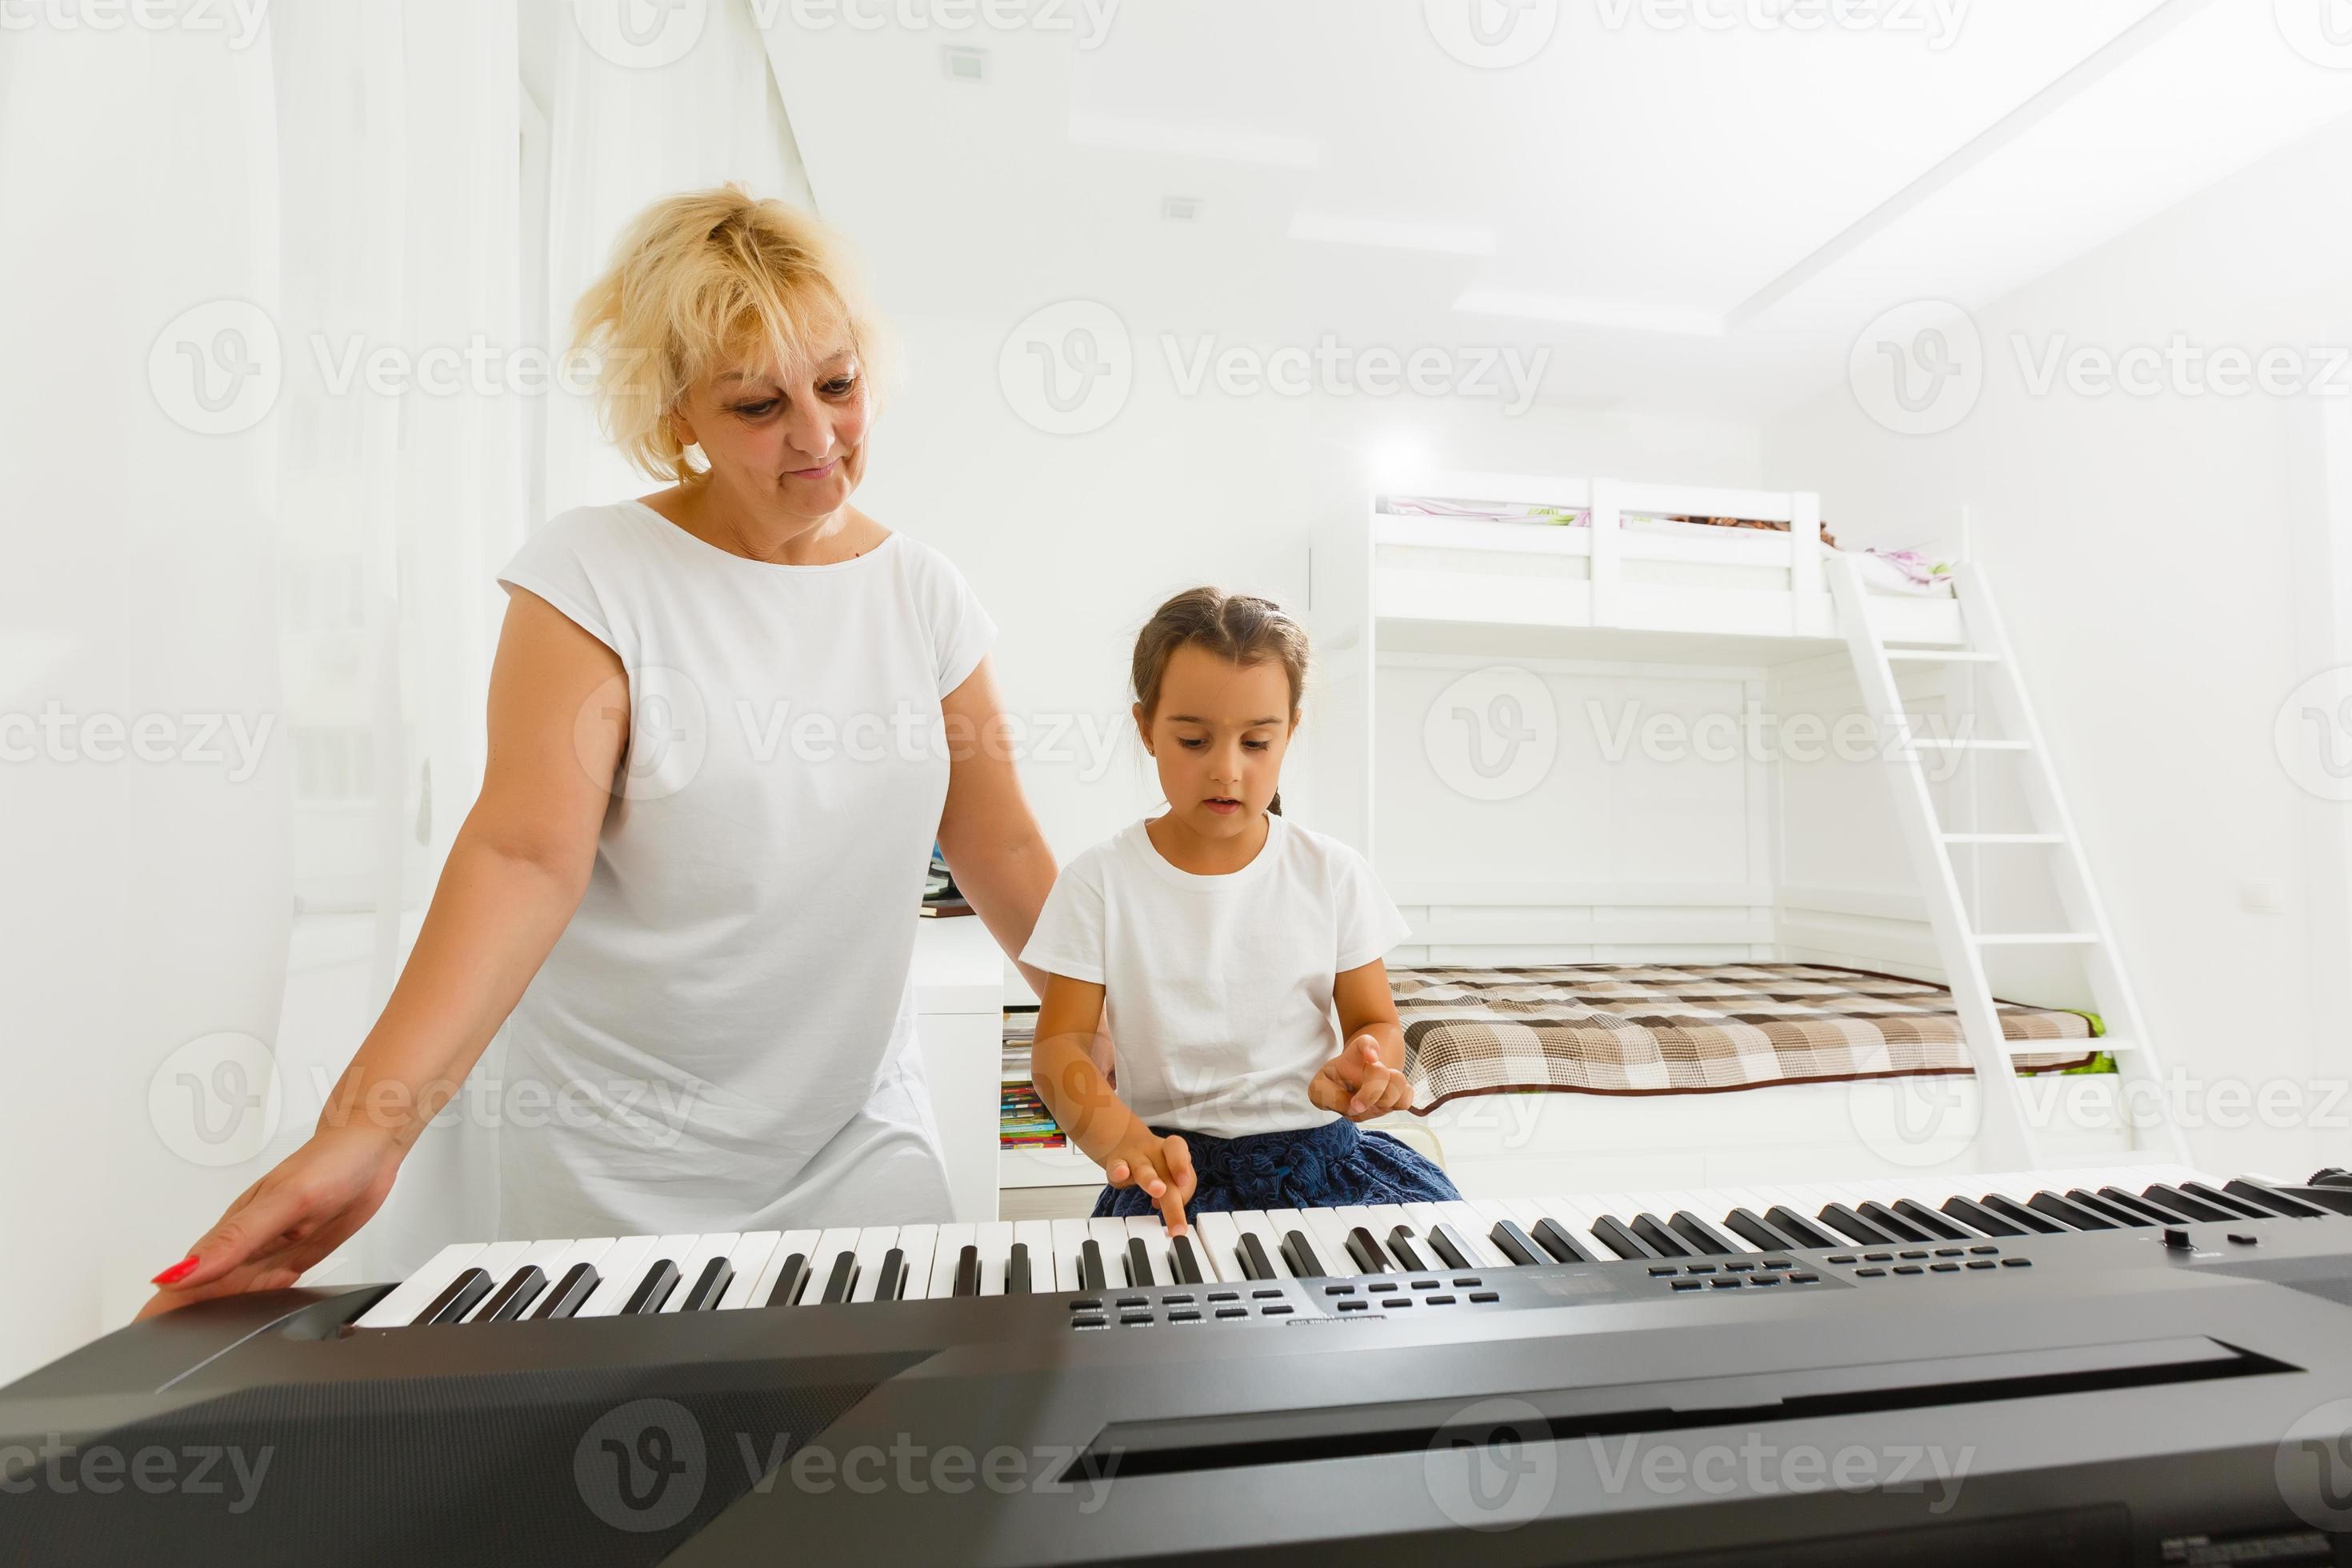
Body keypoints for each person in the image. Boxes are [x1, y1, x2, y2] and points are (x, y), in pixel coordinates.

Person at [142, 185, 1063, 1314]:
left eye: (838, 384)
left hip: (854, 1142)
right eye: (758, 405)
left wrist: (1153, 1046)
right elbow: (523, 859)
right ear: (679, 414)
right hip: (614, 1167)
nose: (818, 438)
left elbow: (1002, 845)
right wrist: (363, 1135)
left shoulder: (923, 595)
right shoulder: (592, 577)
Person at [1022, 587, 1460, 1232]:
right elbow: (1059, 1049)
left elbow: (1375, 1021)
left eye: (1256, 743)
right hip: (1177, 1176)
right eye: (1194, 741)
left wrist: (1370, 1065)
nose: (1226, 770)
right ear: (1146, 729)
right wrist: (1124, 1142)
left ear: (1291, 732)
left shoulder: (1331, 872)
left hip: (1326, 1165)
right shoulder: (1101, 882)